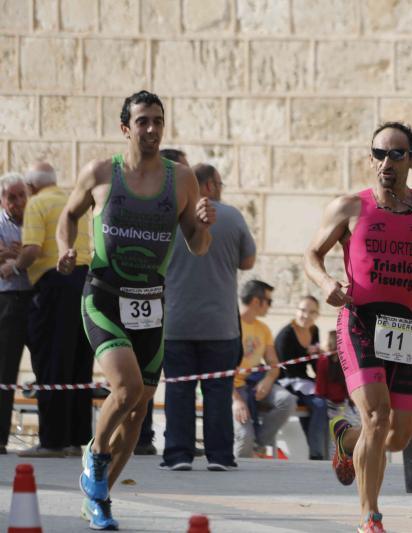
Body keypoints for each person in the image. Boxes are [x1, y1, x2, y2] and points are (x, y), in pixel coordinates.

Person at [56, 90, 216, 530]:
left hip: (150, 303)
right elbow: (68, 216)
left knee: (140, 409)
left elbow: (197, 247)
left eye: (158, 122)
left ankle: (100, 497)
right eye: (143, 121)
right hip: (104, 295)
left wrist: (203, 226)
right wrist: (66, 248)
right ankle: (94, 456)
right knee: (125, 389)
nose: (151, 129)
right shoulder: (101, 172)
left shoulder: (182, 179)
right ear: (125, 128)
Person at [304, 121, 412, 533]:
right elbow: (312, 255)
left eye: (396, 154)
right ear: (371, 159)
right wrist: (327, 283)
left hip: (403, 326)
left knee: (399, 436)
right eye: (380, 154)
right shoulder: (349, 207)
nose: (387, 162)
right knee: (377, 416)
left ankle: (346, 440)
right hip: (359, 320)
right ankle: (370, 518)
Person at [159, 161, 256, 472]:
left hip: (175, 322)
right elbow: (248, 261)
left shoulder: (167, 217)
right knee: (217, 390)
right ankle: (219, 456)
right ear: (211, 186)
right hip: (220, 323)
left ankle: (177, 454)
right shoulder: (231, 216)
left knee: (178, 389)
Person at [0, 162, 94, 460]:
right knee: (78, 363)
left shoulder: (37, 204)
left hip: (53, 286)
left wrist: (13, 265)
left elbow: (33, 250)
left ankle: (52, 441)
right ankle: (75, 438)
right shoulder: (69, 200)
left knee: (52, 363)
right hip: (83, 281)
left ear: (31, 187)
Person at [134, 148, 189, 457]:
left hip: (168, 307)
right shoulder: (161, 212)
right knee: (141, 374)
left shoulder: (185, 212)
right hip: (154, 302)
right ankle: (140, 435)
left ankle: (149, 436)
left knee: (155, 377)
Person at [233, 280, 296, 458]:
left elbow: (273, 364)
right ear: (255, 301)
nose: (270, 306)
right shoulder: (230, 324)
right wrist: (236, 400)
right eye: (269, 301)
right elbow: (217, 369)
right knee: (244, 436)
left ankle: (258, 445)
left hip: (254, 384)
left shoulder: (264, 329)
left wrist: (268, 380)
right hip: (231, 389)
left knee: (287, 400)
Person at [0, 173, 32, 455]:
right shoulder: (0, 223)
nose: (18, 202)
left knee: (47, 366)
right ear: (2, 200)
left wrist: (16, 255)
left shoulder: (36, 219)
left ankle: (54, 438)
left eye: (21, 195)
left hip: (36, 298)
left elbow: (40, 251)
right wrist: (9, 255)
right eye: (12, 197)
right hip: (8, 300)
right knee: (5, 369)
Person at [274, 296, 329, 460]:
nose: (306, 315)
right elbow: (286, 370)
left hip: (304, 381)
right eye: (303, 310)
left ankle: (322, 452)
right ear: (296, 311)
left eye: (312, 312)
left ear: (317, 315)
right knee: (319, 404)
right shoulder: (286, 334)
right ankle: (317, 455)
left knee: (326, 401)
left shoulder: (314, 330)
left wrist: (317, 357)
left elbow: (313, 366)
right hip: (286, 381)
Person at [315, 330, 360, 458]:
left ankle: (335, 460)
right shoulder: (347, 359)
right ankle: (351, 458)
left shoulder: (323, 361)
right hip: (347, 404)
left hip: (331, 406)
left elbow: (321, 388)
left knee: (333, 438)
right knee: (352, 430)